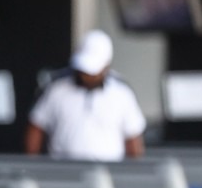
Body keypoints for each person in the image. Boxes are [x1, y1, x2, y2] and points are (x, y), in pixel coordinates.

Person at [24, 29, 146, 161]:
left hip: (109, 168)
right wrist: (33, 164)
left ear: (106, 67)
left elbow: (133, 138)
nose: (87, 77)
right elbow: (36, 127)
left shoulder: (122, 93)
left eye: (92, 72)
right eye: (83, 70)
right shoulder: (56, 89)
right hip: (62, 168)